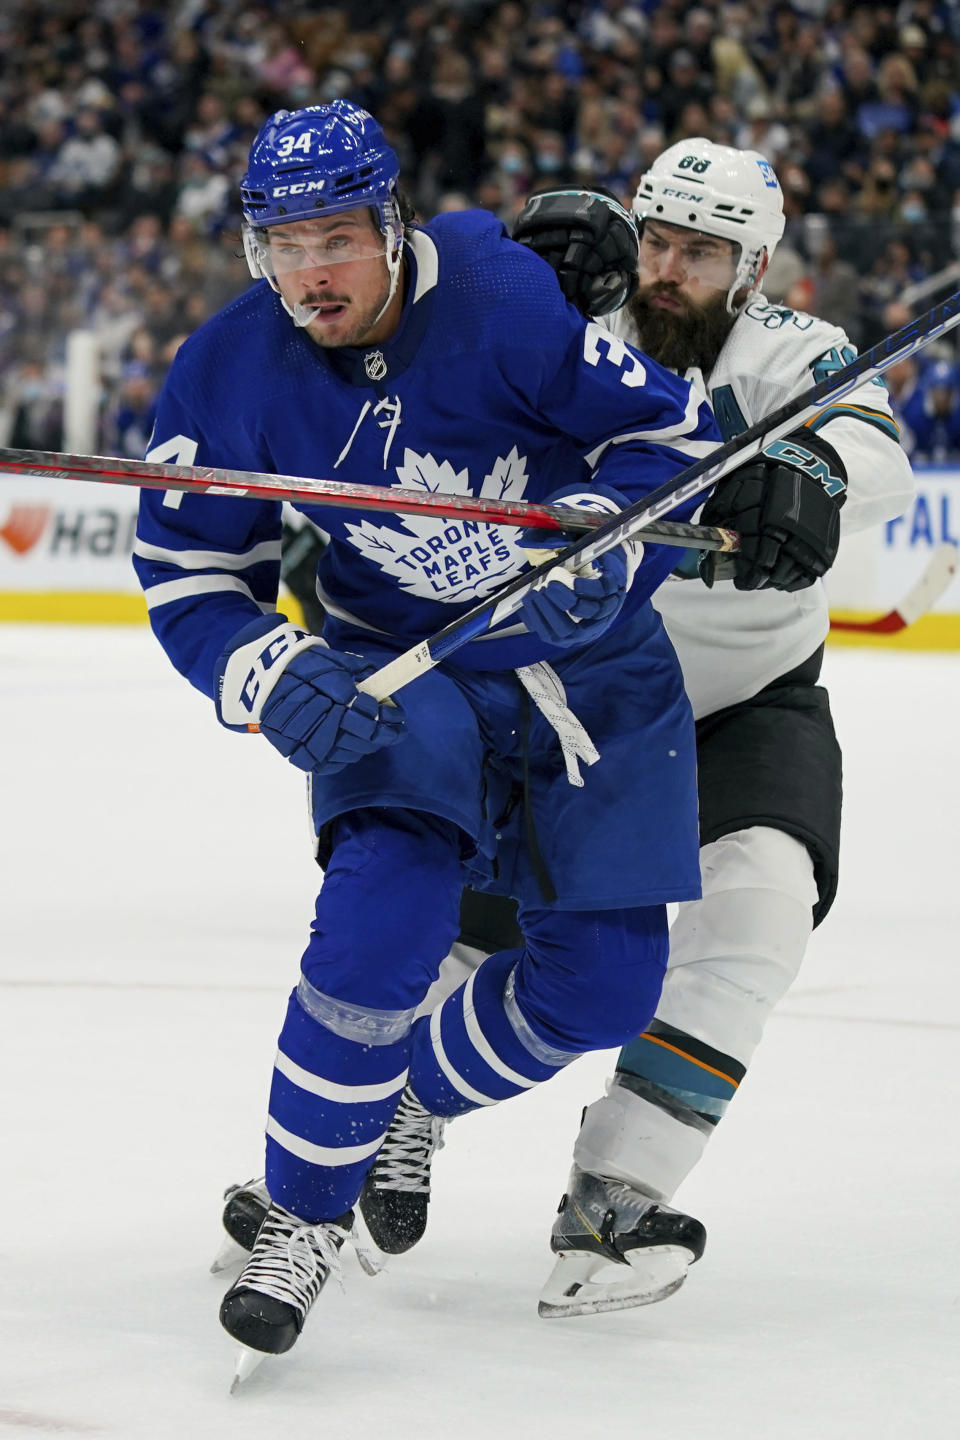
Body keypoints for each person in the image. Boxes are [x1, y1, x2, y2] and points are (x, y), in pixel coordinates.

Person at [221, 139, 913, 1319]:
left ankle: (618, 1194)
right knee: (465, 933)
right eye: (658, 239)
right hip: (568, 692)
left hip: (747, 703)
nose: (670, 269)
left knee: (756, 913)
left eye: (703, 252)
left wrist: (813, 471)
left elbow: (873, 448)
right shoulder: (579, 333)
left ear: (754, 265)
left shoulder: (792, 356)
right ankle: (341, 1158)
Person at [133, 102, 725, 1374]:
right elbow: (188, 570)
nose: (310, 275)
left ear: (392, 228)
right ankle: (302, 1211)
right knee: (382, 919)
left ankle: (407, 1102)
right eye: (281, 246)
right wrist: (261, 662)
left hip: (588, 672)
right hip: (401, 670)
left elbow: (674, 442)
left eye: (336, 239)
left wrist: (597, 547)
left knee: (606, 986)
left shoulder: (503, 298)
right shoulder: (228, 372)